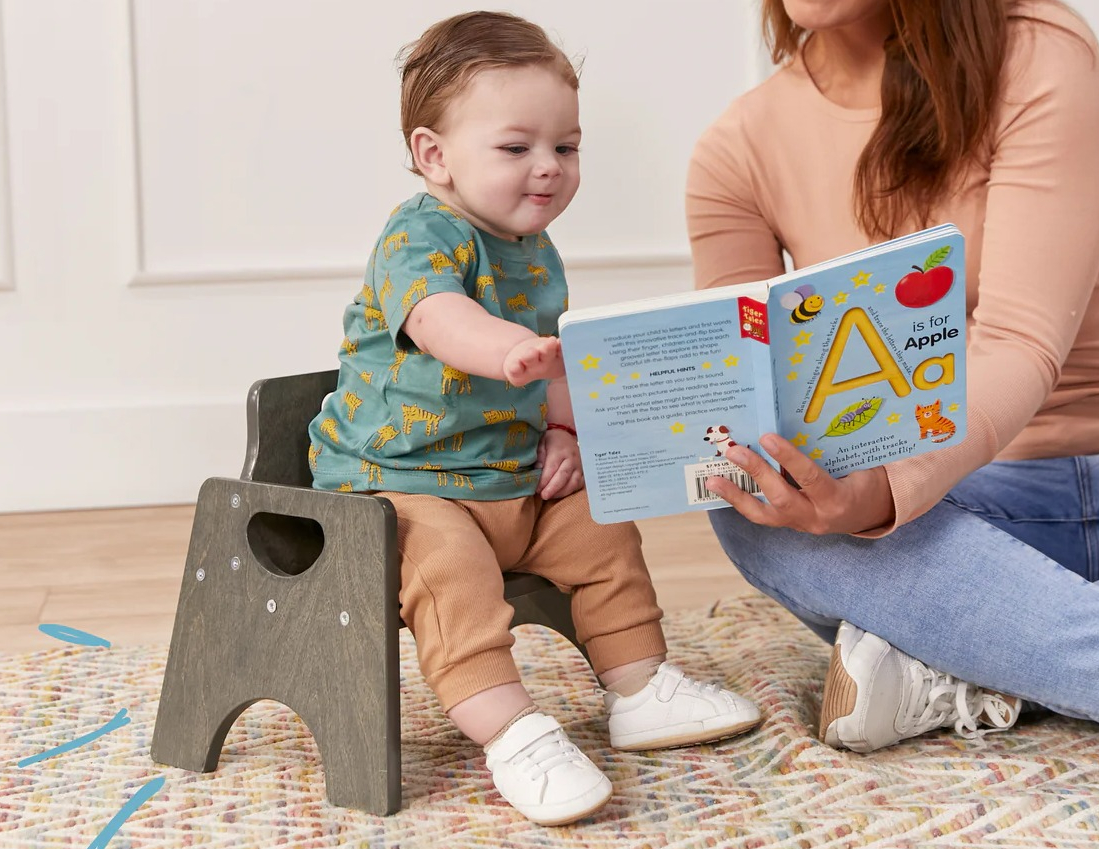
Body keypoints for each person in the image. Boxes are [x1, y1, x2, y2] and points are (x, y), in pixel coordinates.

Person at [307, 11, 761, 826]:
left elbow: (555, 363)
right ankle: (512, 730)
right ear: (433, 155)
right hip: (398, 485)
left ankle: (638, 684)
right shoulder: (423, 233)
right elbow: (436, 317)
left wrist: (564, 430)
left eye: (566, 146)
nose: (547, 168)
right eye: (516, 149)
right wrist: (504, 346)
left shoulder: (534, 246)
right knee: (448, 571)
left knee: (601, 525)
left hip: (508, 480)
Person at [686, 0, 1099, 754]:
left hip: (1073, 473)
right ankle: (1001, 656)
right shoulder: (736, 147)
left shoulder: (1037, 49)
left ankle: (974, 661)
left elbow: (1018, 341)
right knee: (748, 504)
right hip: (952, 520)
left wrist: (879, 492)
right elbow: (746, 399)